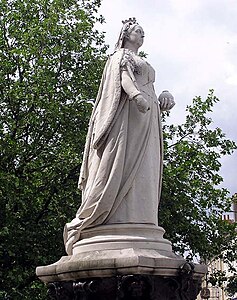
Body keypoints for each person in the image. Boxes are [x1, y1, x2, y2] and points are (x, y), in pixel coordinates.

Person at [64, 18, 175, 255]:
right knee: (121, 163)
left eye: (143, 31)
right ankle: (111, 217)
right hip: (127, 116)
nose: (142, 33)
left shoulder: (143, 61)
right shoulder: (119, 57)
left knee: (146, 168)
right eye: (137, 30)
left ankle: (141, 220)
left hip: (147, 119)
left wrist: (164, 95)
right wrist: (136, 96)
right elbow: (123, 79)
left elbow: (150, 87)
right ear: (126, 34)